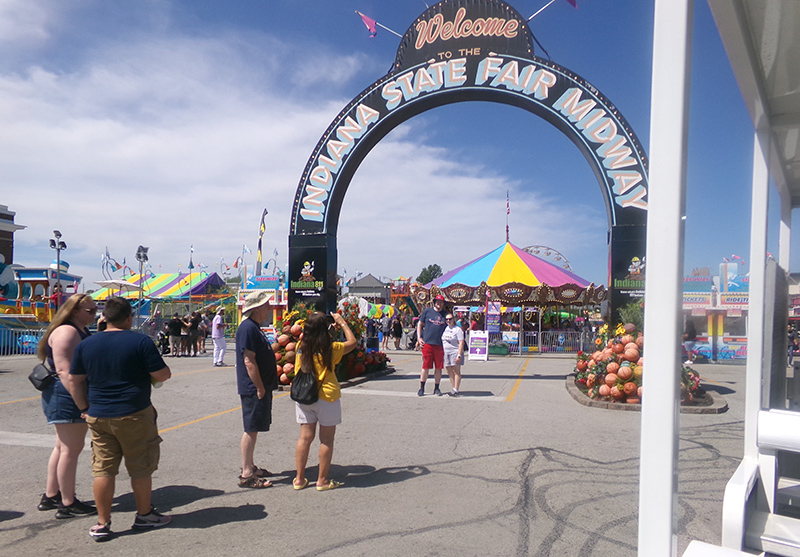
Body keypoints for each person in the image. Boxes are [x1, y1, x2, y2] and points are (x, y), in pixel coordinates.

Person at [67, 297, 172, 541]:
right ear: (128, 318)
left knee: (103, 469)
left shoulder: (87, 344)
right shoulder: (140, 341)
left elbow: (74, 380)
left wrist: (84, 407)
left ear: (104, 317)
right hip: (134, 412)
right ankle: (144, 514)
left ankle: (103, 523)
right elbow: (162, 374)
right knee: (140, 466)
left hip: (99, 414)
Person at [36, 294, 98, 519]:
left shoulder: (76, 329)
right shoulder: (67, 332)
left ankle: (52, 495)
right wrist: (83, 405)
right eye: (89, 311)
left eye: (95, 310)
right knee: (70, 450)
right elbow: (65, 373)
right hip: (67, 394)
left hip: (64, 394)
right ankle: (68, 502)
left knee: (62, 447)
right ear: (73, 311)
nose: (94, 314)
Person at [291, 311, 356, 491]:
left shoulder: (300, 346)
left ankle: (299, 479)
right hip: (327, 396)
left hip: (305, 396)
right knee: (326, 440)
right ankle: (322, 481)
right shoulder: (331, 348)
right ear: (325, 328)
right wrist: (342, 323)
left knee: (304, 437)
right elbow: (353, 342)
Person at [235, 291, 277, 488]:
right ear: (257, 308)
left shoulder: (254, 328)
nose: (269, 309)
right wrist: (259, 387)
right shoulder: (248, 328)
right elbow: (249, 361)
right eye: (266, 305)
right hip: (253, 387)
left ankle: (250, 465)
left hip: (260, 386)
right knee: (251, 428)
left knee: (255, 427)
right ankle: (246, 473)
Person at [416, 295, 448, 396]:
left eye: (441, 302)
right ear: (434, 302)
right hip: (428, 343)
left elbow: (450, 327)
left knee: (438, 367)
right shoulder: (427, 312)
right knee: (426, 366)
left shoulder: (445, 314)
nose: (439, 304)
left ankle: (437, 387)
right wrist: (419, 338)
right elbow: (420, 324)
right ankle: (422, 387)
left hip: (439, 344)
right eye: (437, 302)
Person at [441, 313, 465, 397]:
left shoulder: (458, 330)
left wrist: (459, 355)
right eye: (446, 319)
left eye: (450, 319)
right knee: (449, 370)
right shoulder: (446, 328)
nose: (448, 321)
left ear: (453, 319)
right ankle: (453, 387)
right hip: (446, 352)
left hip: (455, 352)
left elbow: (461, 342)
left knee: (456, 370)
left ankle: (456, 389)